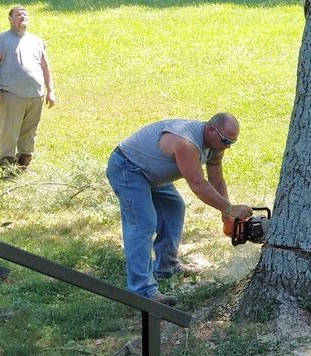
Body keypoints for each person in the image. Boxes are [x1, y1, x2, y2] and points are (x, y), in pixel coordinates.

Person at [106, 114, 252, 302]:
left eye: (232, 142)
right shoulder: (186, 143)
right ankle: (142, 291)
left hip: (151, 173)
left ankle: (166, 267)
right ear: (210, 130)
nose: (228, 146)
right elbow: (198, 185)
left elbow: (216, 179)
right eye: (226, 141)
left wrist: (226, 214)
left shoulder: (216, 146)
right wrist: (230, 208)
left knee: (174, 208)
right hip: (128, 168)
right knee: (143, 223)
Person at [0, 4, 56, 173]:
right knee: (9, 133)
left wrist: (51, 91)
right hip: (10, 95)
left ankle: (22, 169)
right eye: (18, 15)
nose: (23, 17)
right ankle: (8, 171)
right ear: (10, 19)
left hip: (36, 95)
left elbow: (46, 68)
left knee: (29, 134)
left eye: (25, 15)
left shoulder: (37, 41)